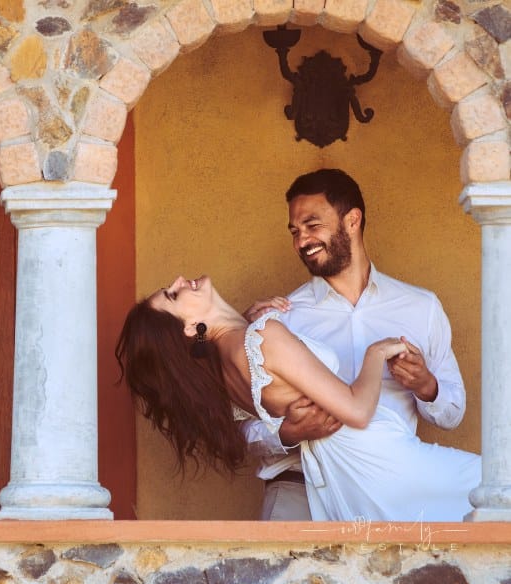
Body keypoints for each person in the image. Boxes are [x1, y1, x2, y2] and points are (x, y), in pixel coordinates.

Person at [116, 274, 481, 521]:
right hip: (382, 458)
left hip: (348, 476)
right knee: (494, 487)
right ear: (187, 327)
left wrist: (243, 321)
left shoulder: (226, 363)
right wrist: (375, 354)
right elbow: (356, 411)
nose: (181, 281)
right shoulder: (263, 338)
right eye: (173, 294)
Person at [241, 168, 479, 521]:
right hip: (300, 492)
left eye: (312, 225)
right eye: (295, 231)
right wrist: (289, 432)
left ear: (352, 220)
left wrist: (425, 386)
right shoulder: (283, 319)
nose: (301, 241)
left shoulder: (420, 307)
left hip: (396, 499)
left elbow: (453, 411)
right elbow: (246, 427)